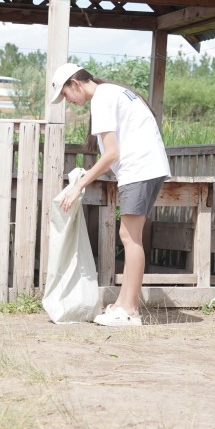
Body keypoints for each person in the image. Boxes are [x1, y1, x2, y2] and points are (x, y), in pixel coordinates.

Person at [50, 62, 170, 327]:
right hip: (147, 167)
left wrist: (79, 184)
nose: (69, 102)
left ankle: (130, 310)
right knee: (130, 236)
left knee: (130, 237)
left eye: (66, 95)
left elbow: (111, 153)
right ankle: (122, 305)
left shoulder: (101, 99)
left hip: (139, 168)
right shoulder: (111, 92)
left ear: (75, 84)